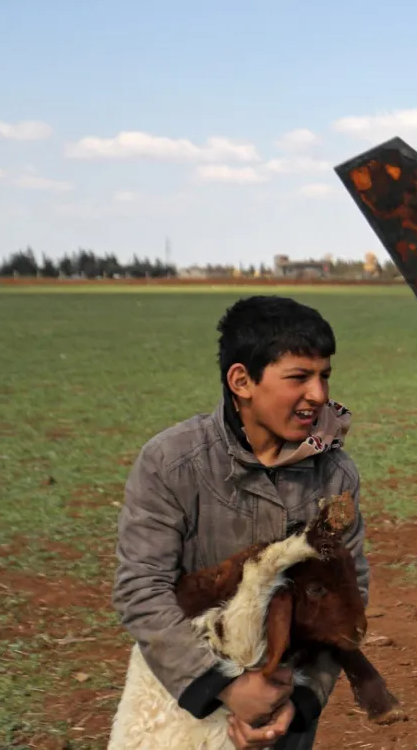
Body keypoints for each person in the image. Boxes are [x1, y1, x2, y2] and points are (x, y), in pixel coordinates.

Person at [112, 295, 370, 749]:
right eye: (299, 378)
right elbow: (141, 590)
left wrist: (299, 701)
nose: (320, 395)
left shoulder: (335, 472)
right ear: (242, 381)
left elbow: (348, 594)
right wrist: (227, 688)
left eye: (324, 376)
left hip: (286, 695)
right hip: (182, 694)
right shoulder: (171, 463)